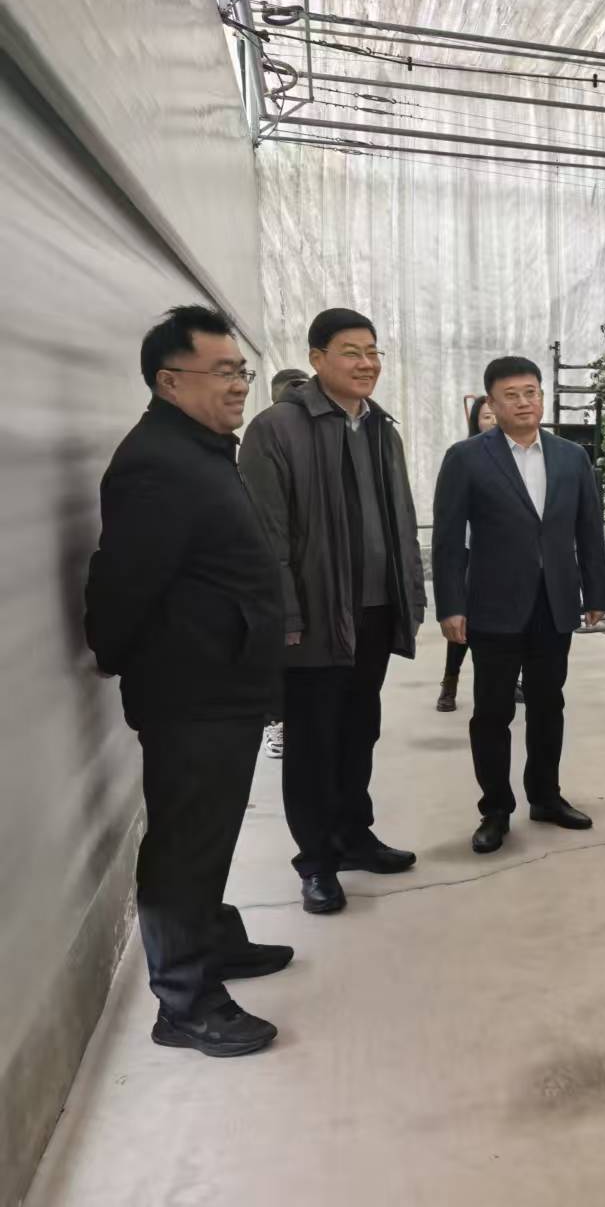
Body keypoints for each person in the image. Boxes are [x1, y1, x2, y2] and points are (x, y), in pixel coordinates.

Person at [85, 306, 294, 1057]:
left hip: (222, 684)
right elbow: (122, 584)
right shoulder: (157, 464)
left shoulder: (200, 449)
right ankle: (185, 1001)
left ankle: (213, 938)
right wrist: (122, 656)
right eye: (224, 372)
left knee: (213, 830)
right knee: (185, 843)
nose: (239, 384)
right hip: (191, 695)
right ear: (169, 381)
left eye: (242, 370)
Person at [240, 308, 426, 915]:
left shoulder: (381, 430)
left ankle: (353, 836)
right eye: (351, 351)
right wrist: (287, 618)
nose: (366, 363)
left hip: (374, 610)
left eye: (373, 352)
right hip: (315, 617)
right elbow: (266, 538)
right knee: (313, 742)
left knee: (359, 729)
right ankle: (316, 861)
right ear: (317, 358)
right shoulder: (276, 430)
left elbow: (400, 522)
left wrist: (410, 597)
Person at [432, 356, 605, 855]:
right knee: (492, 712)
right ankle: (495, 809)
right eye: (511, 395)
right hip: (493, 606)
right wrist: (450, 605)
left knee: (549, 704)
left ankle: (546, 796)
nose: (524, 402)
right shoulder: (466, 458)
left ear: (542, 397)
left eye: (531, 392)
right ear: (491, 402)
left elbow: (588, 528)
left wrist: (595, 591)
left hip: (554, 603)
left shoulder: (571, 457)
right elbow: (447, 540)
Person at [260, 367, 311, 762]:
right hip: (278, 570)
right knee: (281, 652)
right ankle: (276, 720)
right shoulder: (266, 436)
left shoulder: (319, 436)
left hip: (313, 572)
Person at [436, 394, 497, 713]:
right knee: (463, 623)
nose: (493, 421)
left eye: (495, 415)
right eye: (486, 416)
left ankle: (508, 680)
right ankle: (450, 681)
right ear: (476, 422)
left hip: (504, 557)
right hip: (469, 552)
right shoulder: (465, 457)